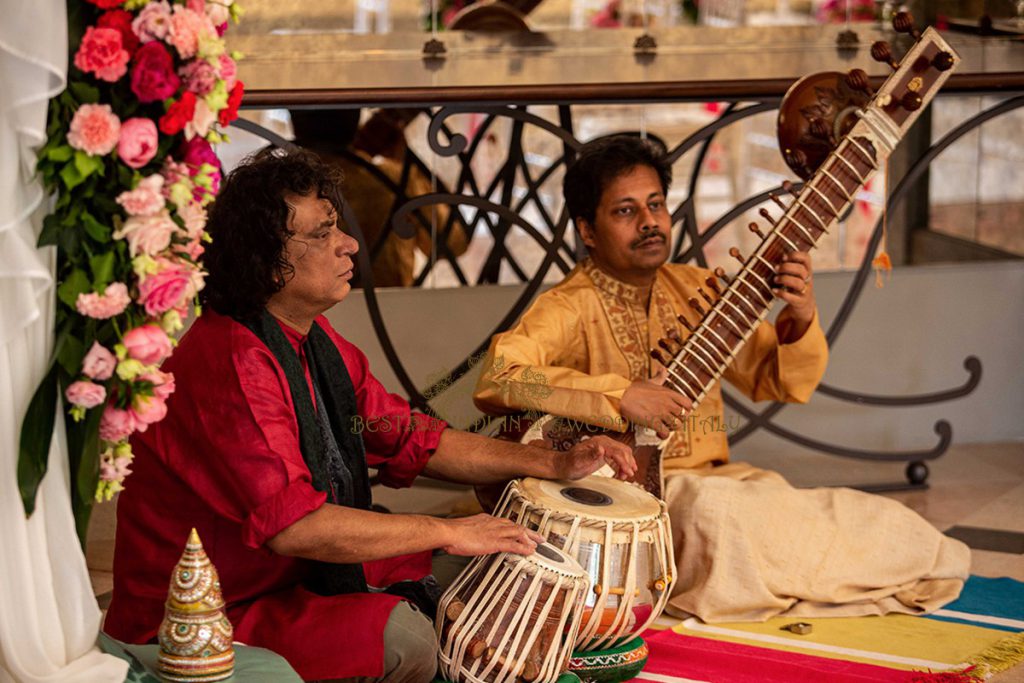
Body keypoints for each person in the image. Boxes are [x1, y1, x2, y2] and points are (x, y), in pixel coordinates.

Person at [103, 148, 635, 683]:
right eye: (322, 232)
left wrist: (551, 464)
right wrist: (444, 531)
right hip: (209, 614)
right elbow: (297, 527)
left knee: (500, 569)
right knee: (406, 639)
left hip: (296, 579)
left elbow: (413, 437)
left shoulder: (314, 343)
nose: (349, 244)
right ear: (265, 257)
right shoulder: (231, 362)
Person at [473, 135, 970, 623]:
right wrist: (619, 396)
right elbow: (501, 380)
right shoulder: (566, 307)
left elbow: (777, 382)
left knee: (876, 522)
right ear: (587, 230)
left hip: (726, 483)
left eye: (656, 205)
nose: (649, 222)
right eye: (626, 211)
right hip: (637, 499)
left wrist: (799, 315)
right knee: (717, 516)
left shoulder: (698, 289)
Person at [289, 108, 469, 288]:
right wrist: (406, 160)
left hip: (301, 312)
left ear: (294, 123)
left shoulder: (280, 188)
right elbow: (453, 244)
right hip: (390, 310)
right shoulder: (395, 181)